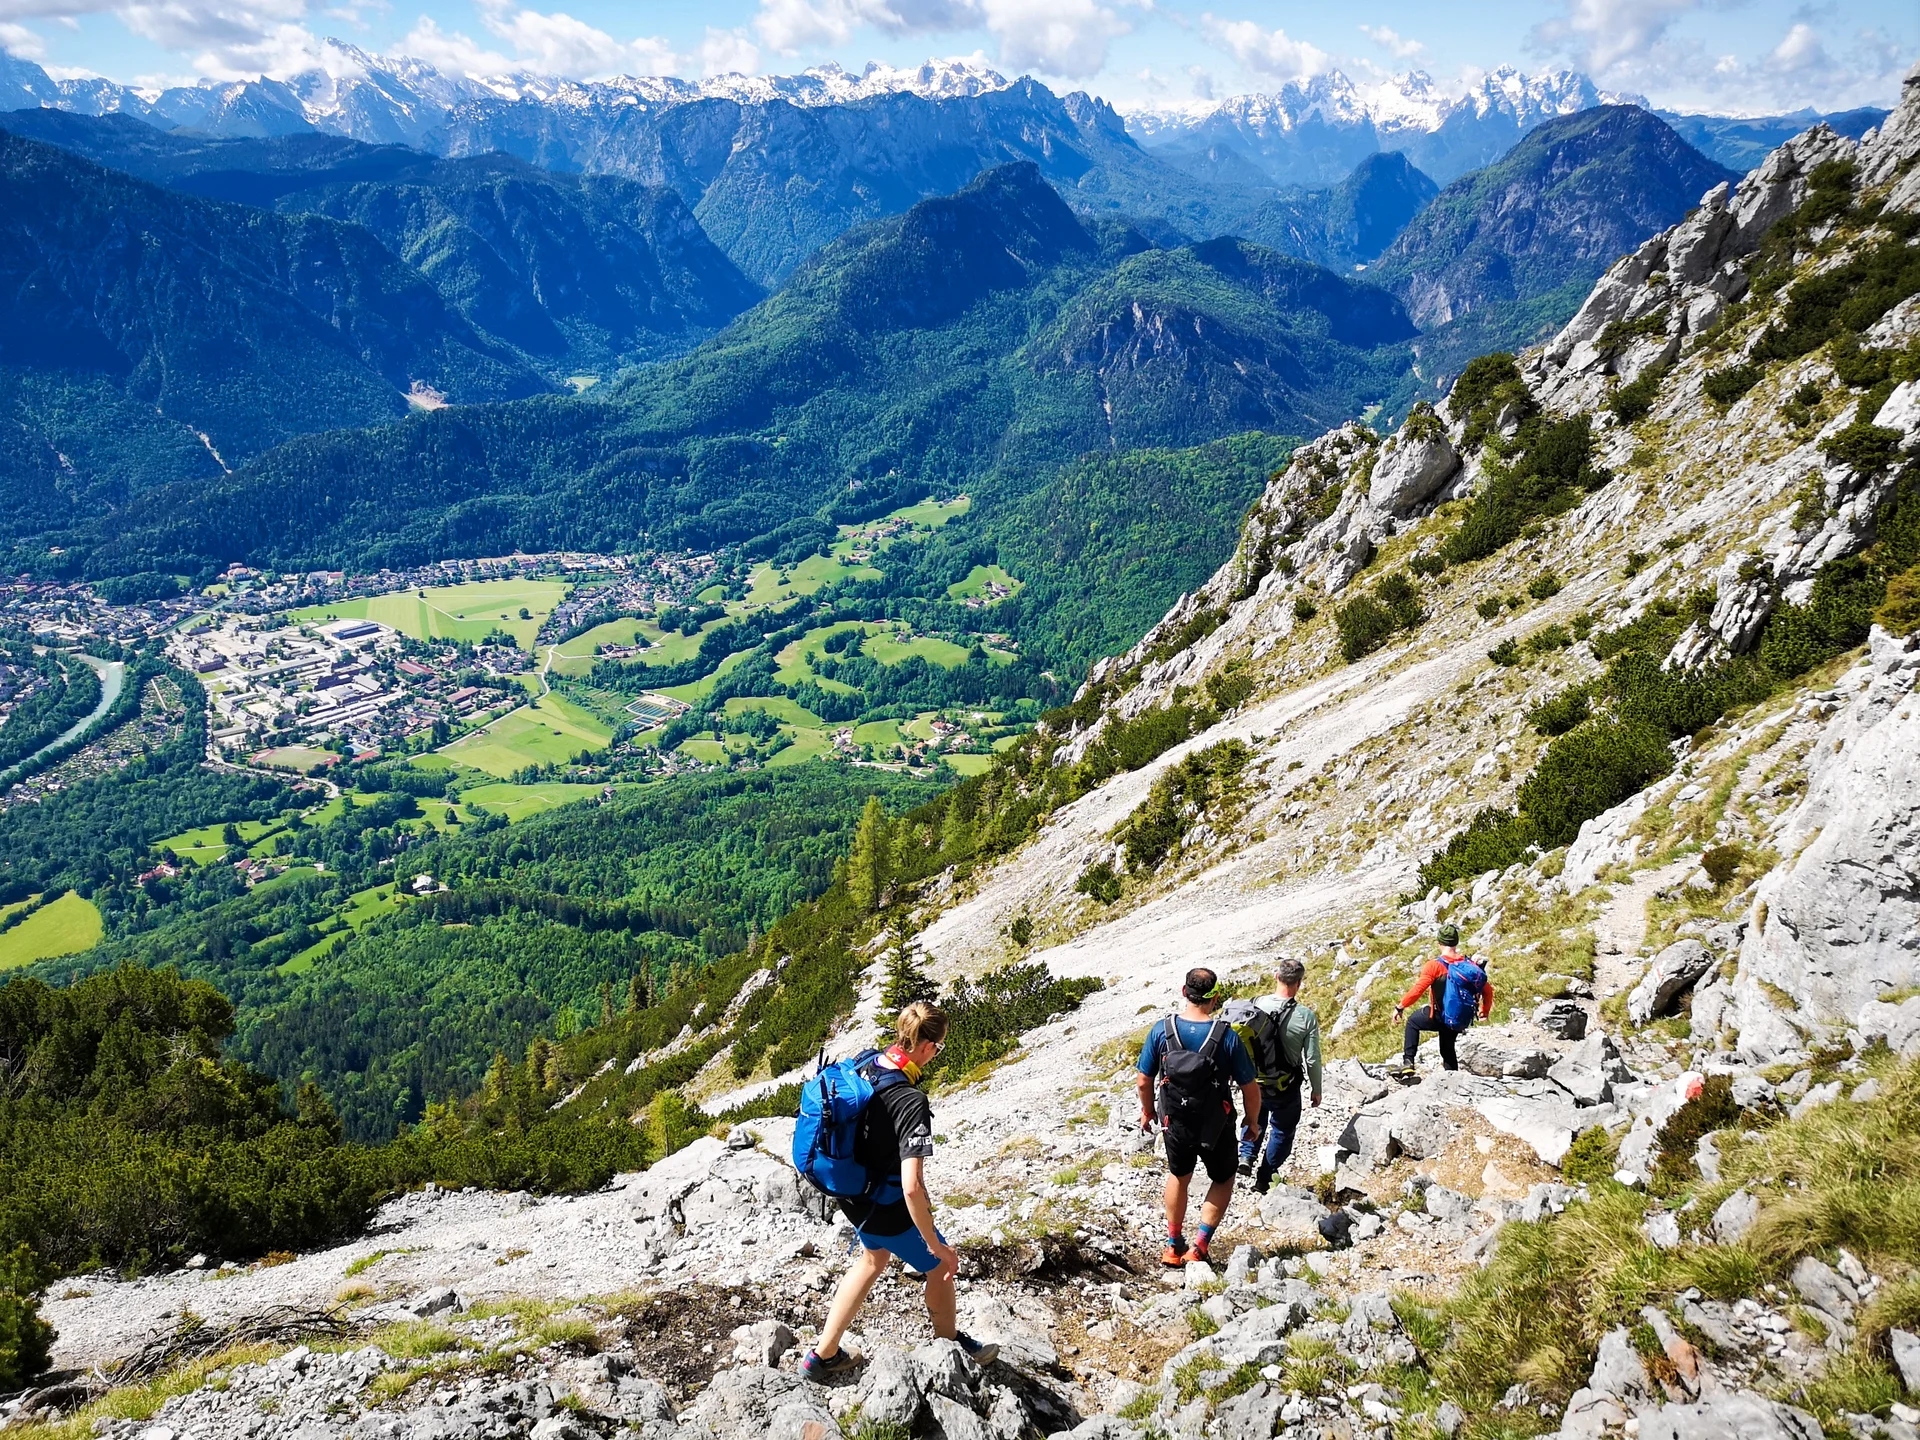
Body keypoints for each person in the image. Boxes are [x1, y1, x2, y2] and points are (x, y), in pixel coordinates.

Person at [802, 1002, 999, 1380]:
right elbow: (912, 1187)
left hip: (850, 1193)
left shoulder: (867, 1063)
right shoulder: (911, 1102)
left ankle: (822, 1356)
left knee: (873, 1261)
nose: (936, 1055)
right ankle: (952, 1352)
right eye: (938, 1048)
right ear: (926, 1047)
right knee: (940, 1268)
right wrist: (936, 1245)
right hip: (884, 1203)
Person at [1135, 967, 1264, 1267]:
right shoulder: (1226, 1036)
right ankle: (1200, 1246)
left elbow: (1144, 1080)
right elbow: (1250, 1086)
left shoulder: (1162, 1030)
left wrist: (1148, 1111)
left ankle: (1172, 1245)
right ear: (1215, 998)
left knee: (1179, 1175)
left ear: (1184, 992)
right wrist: (1252, 1121)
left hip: (1175, 1121)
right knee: (1223, 1176)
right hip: (1215, 1124)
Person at [1236, 957, 1323, 1194]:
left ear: (1277, 976)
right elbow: (1312, 1059)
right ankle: (1265, 1177)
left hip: (1253, 1081)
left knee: (1255, 1116)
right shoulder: (1306, 1017)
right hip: (1286, 1086)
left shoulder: (1253, 1006)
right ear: (1299, 983)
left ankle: (1246, 1155)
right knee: (1283, 1130)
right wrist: (1317, 1089)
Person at [1391, 924, 1492, 1076]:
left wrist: (1400, 1007)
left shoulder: (1434, 966)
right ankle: (1453, 1079)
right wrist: (1485, 1010)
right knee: (1447, 1048)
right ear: (1456, 942)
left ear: (1439, 943)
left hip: (1439, 1016)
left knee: (1413, 1022)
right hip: (1458, 1018)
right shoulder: (1468, 965)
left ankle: (1408, 1062)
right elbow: (1488, 990)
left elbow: (1418, 989)